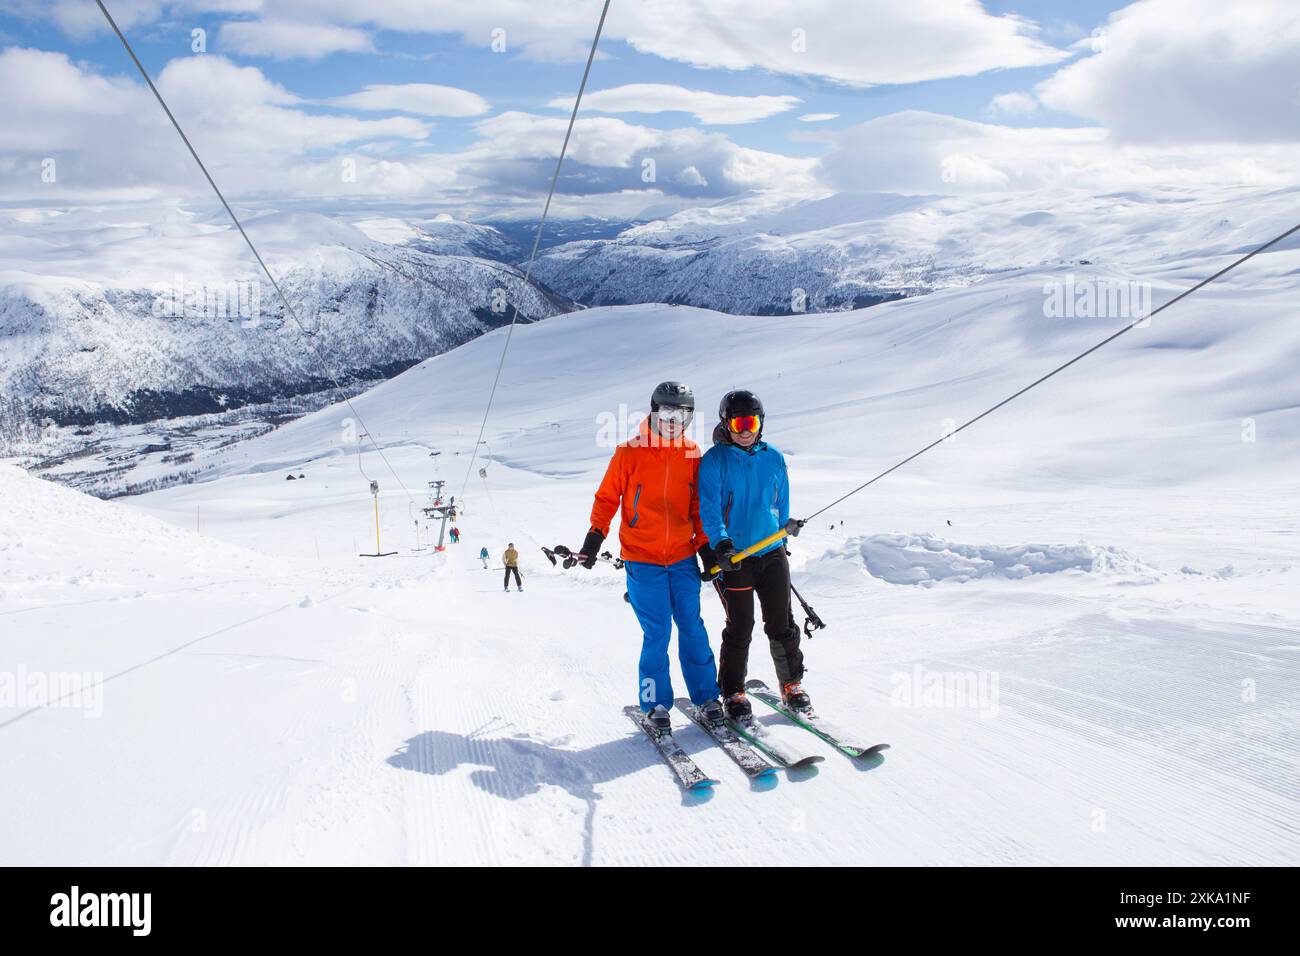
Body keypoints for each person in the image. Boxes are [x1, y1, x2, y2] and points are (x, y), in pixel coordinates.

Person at [576, 381, 722, 735]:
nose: (675, 421)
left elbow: (697, 506)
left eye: (683, 414)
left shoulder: (691, 452)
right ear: (655, 412)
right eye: (669, 413)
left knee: (692, 626)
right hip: (642, 557)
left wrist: (705, 547)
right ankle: (655, 703)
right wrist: (595, 536)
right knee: (657, 631)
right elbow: (607, 497)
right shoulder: (629, 452)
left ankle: (706, 697)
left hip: (683, 556)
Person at [698, 389, 808, 719]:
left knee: (781, 622)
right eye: (738, 422)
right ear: (726, 424)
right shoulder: (714, 461)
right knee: (740, 625)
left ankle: (792, 684)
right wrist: (721, 544)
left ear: (760, 423)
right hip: (735, 557)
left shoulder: (773, 457)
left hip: (772, 552)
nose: (745, 429)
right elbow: (710, 509)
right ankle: (733, 691)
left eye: (751, 421)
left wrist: (783, 535)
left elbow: (781, 502)